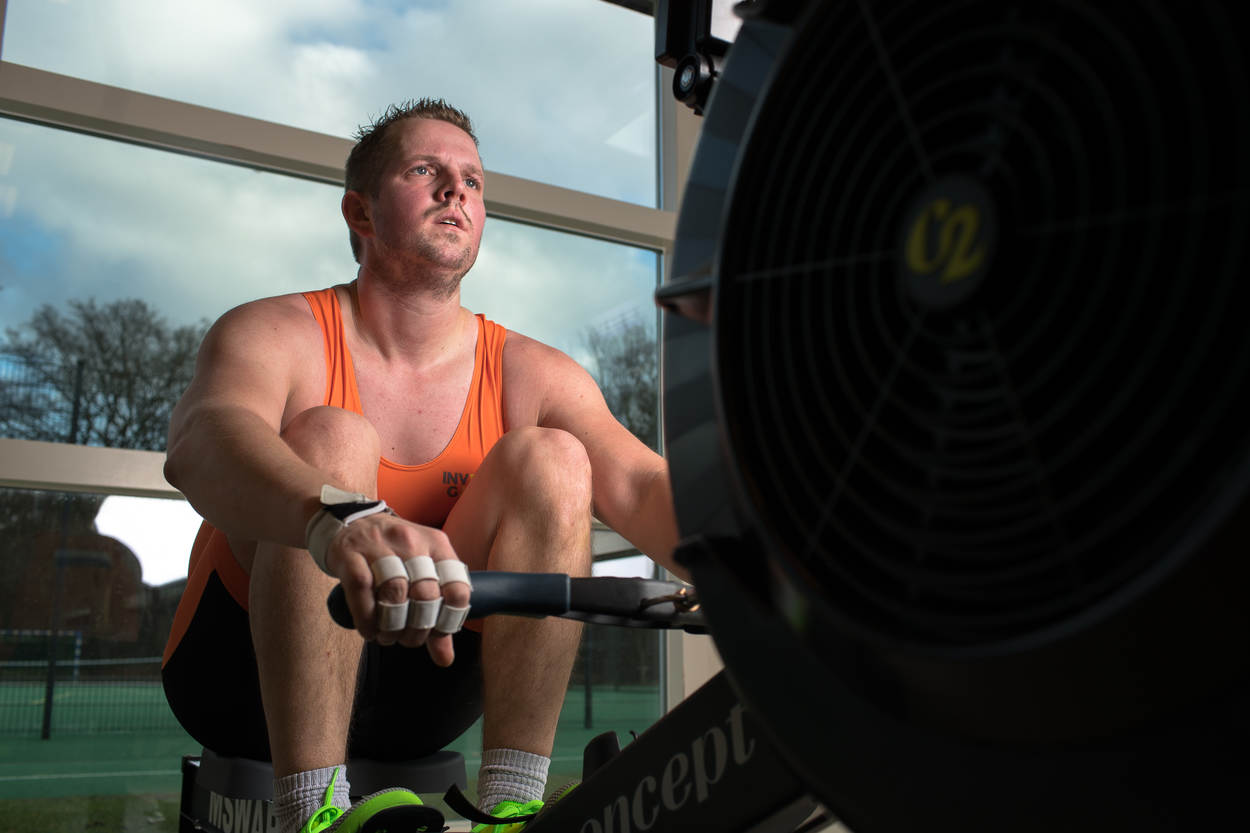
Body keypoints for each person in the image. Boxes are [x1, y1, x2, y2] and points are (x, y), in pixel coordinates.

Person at [160, 98, 685, 833]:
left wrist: (764, 560)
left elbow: (641, 485)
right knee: (333, 437)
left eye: (472, 180)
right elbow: (201, 439)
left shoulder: (532, 372)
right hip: (239, 674)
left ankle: (512, 805)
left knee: (556, 457)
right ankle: (311, 810)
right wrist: (338, 518)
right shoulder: (276, 330)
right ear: (361, 212)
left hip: (428, 683)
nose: (455, 190)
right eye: (423, 171)